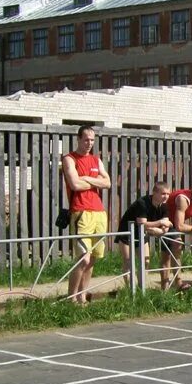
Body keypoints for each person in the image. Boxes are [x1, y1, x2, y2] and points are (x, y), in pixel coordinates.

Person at [61, 124, 111, 304]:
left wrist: (87, 179)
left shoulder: (97, 160)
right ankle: (71, 297)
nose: (89, 143)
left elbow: (107, 183)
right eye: (86, 139)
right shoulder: (69, 158)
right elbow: (75, 184)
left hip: (99, 212)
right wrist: (96, 181)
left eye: (92, 140)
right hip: (81, 211)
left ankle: (83, 295)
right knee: (83, 257)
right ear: (79, 139)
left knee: (93, 258)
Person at [116, 182, 172, 288]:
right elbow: (142, 223)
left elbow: (166, 223)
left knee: (145, 261)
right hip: (127, 233)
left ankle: (142, 289)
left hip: (142, 235)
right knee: (128, 262)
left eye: (168, 194)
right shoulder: (142, 203)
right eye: (163, 194)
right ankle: (130, 289)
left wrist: (161, 231)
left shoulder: (164, 206)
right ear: (154, 193)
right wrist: (160, 223)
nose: (166, 197)